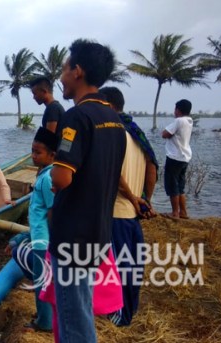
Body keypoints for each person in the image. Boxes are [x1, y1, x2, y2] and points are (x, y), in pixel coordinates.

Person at [48, 39, 126, 342]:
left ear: (77, 71)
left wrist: (53, 171)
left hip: (73, 236)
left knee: (74, 319)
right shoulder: (114, 120)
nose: (62, 77)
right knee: (79, 310)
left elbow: (62, 178)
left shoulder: (76, 117)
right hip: (99, 233)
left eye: (65, 69)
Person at [100, 86, 158, 326]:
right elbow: (153, 167)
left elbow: (113, 173)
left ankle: (119, 316)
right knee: (133, 266)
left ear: (110, 107)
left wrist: (133, 198)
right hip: (132, 214)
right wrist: (145, 199)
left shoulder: (112, 135)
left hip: (118, 211)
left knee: (119, 267)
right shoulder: (136, 134)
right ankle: (128, 312)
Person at [6, 126, 59, 333]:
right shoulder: (45, 174)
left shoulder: (47, 178)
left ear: (52, 155)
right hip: (39, 236)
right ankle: (45, 316)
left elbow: (53, 210)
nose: (33, 156)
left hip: (43, 240)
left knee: (41, 282)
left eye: (38, 152)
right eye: (32, 151)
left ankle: (44, 323)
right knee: (42, 279)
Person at [162, 99, 194, 219]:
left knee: (172, 185)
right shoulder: (189, 121)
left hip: (175, 156)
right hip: (184, 157)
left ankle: (175, 213)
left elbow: (165, 134)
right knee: (180, 186)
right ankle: (183, 212)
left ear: (178, 110)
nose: (174, 111)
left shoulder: (179, 121)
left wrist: (165, 132)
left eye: (175, 109)